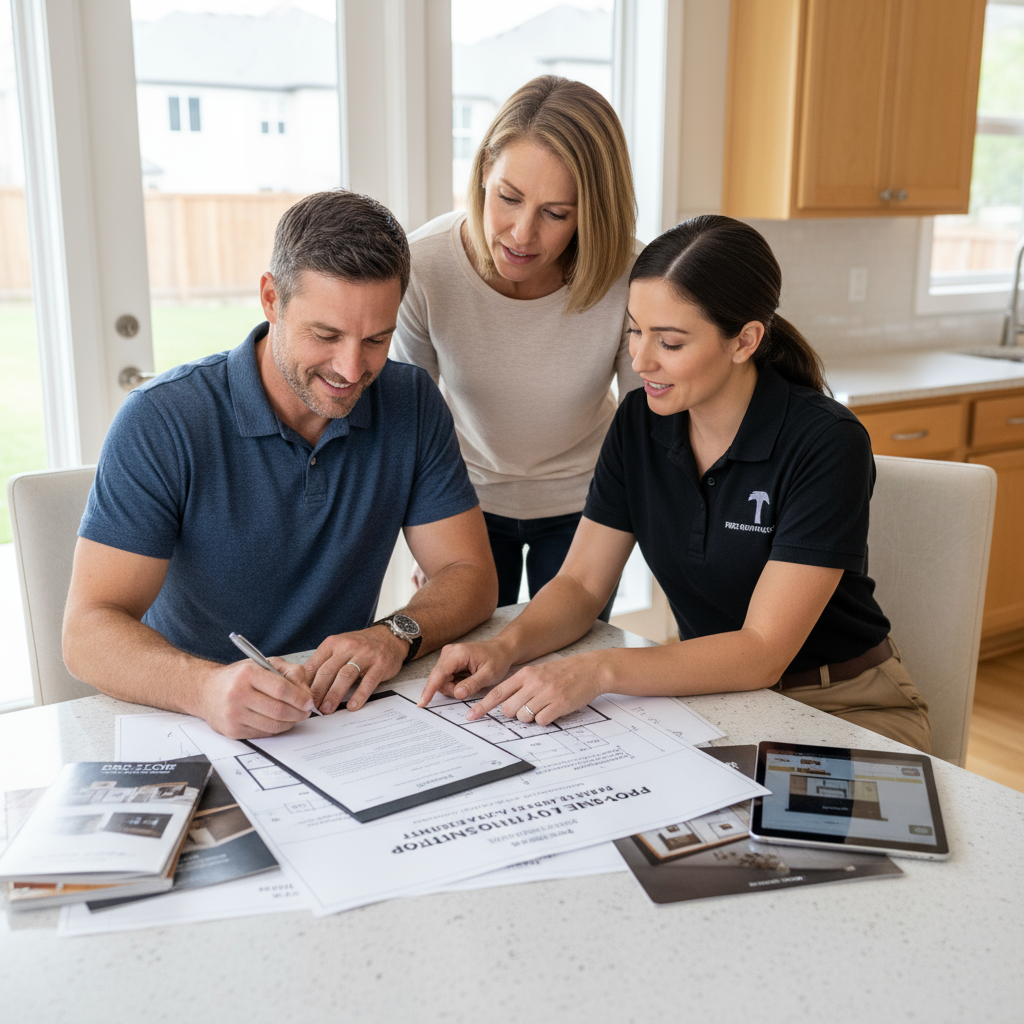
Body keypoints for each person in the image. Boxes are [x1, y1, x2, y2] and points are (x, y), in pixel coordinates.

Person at [418, 215, 931, 753]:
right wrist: (505, 648)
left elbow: (762, 650)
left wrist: (599, 670)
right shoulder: (639, 422)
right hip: (718, 699)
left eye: (670, 342)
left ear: (745, 340)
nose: (640, 360)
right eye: (635, 330)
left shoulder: (826, 441)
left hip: (843, 704)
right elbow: (582, 585)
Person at [63, 190, 498, 740]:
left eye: (376, 340)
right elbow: (87, 632)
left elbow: (471, 574)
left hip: (337, 720)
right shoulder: (162, 420)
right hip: (192, 717)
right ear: (271, 299)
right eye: (326, 335)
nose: (351, 369)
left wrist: (395, 633)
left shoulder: (410, 402)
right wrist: (204, 688)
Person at [391, 76, 640, 620]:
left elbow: (645, 419)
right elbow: (409, 418)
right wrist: (429, 536)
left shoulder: (632, 277)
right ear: (484, 170)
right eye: (508, 198)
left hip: (585, 508)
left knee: (560, 661)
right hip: (463, 504)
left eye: (556, 213)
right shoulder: (424, 266)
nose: (522, 234)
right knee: (464, 658)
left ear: (592, 212)